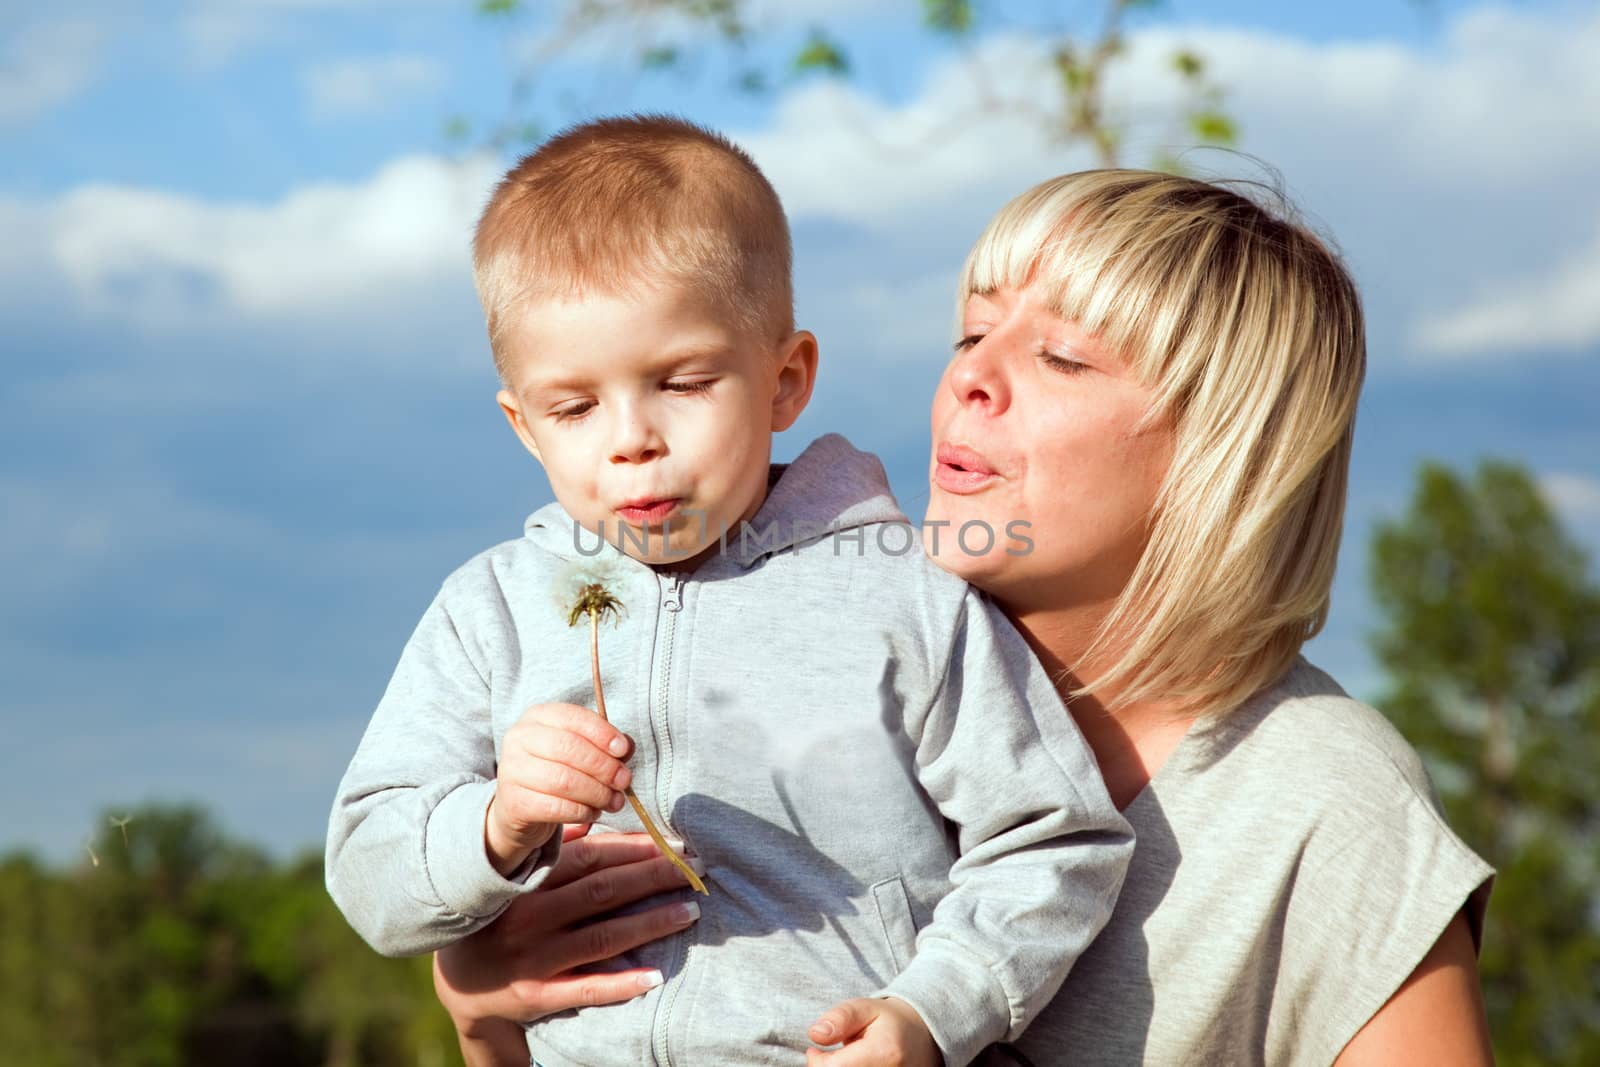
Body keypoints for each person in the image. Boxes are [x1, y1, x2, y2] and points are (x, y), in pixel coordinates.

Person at [431, 168, 1497, 1066]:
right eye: (974, 329)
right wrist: (486, 1004)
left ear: (1223, 456)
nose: (972, 376)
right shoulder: (810, 686)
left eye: (1063, 356)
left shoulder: (1320, 795)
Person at [324, 116, 1135, 1067]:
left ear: (785, 380)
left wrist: (933, 1011)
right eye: (574, 407)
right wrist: (497, 824)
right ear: (523, 426)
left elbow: (1052, 837)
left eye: (683, 381)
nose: (631, 438)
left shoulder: (905, 598)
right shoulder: (490, 612)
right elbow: (372, 873)